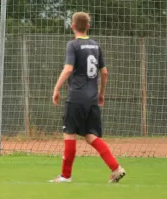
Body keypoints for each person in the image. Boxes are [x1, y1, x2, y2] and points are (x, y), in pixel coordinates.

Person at [51, 12, 126, 183]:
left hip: (76, 97)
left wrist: (56, 88)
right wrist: (101, 94)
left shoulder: (73, 45)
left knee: (69, 133)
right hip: (91, 98)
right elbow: (105, 73)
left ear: (72, 26)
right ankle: (116, 168)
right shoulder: (95, 46)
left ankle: (65, 176)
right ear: (88, 27)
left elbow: (68, 69)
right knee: (91, 136)